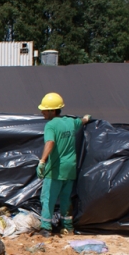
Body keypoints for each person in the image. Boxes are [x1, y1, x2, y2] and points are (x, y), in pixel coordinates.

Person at [35, 92, 91, 237]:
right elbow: (82, 121)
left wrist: (42, 161)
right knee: (66, 198)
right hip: (70, 169)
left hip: (56, 170)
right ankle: (68, 227)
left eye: (45, 110)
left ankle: (46, 228)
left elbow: (50, 142)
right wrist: (86, 118)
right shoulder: (70, 122)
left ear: (52, 110)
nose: (42, 112)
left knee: (48, 198)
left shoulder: (51, 125)